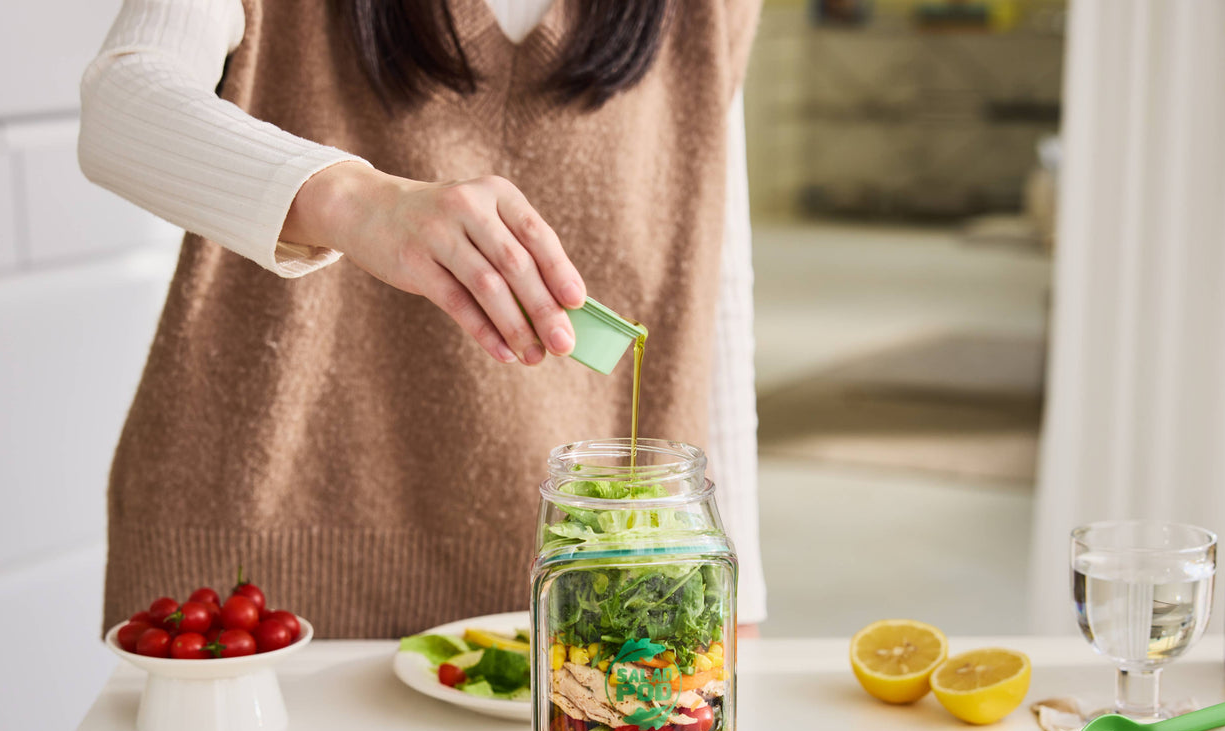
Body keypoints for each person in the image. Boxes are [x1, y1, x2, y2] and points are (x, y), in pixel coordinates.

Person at [80, 0, 765, 638]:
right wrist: (354, 203)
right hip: (248, 580)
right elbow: (122, 103)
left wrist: (739, 589)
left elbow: (711, 286)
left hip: (586, 579)